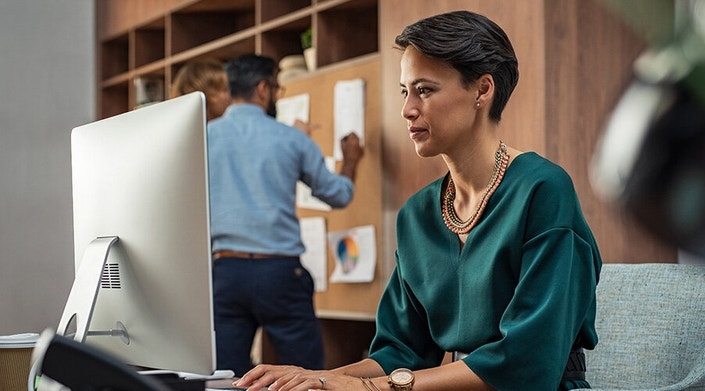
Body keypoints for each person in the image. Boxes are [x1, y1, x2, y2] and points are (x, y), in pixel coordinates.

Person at [232, 10, 602, 391]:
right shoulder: (418, 214)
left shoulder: (543, 190)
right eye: (405, 91)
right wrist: (321, 378)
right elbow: (400, 352)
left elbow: (526, 362)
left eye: (424, 90)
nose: (408, 109)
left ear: (482, 89)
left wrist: (367, 389)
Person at [208, 53, 364, 376]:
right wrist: (350, 160)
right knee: (305, 376)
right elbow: (338, 194)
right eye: (277, 88)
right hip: (279, 273)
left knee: (223, 378)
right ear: (263, 89)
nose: (277, 95)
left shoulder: (203, 137)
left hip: (225, 272)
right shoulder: (291, 139)